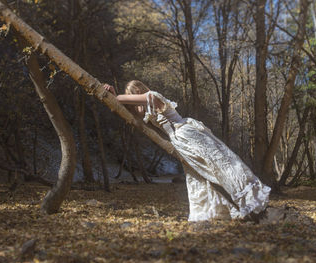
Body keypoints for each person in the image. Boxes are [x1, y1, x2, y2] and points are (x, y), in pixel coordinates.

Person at [103, 80, 271, 222]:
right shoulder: (148, 109)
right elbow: (132, 113)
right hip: (179, 139)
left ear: (138, 91)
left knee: (220, 163)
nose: (134, 98)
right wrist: (113, 94)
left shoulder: (153, 96)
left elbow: (125, 100)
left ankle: (250, 201)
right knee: (199, 174)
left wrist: (115, 94)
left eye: (133, 93)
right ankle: (219, 211)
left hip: (186, 133)